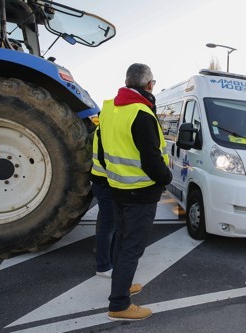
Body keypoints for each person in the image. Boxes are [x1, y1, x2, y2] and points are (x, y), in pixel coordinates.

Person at [98, 63, 172, 321]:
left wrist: (112, 176)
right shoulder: (141, 113)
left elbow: (100, 150)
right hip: (140, 192)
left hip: (117, 187)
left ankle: (122, 283)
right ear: (149, 84)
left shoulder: (110, 108)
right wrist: (167, 178)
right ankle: (119, 304)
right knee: (132, 246)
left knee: (122, 240)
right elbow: (152, 161)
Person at [90, 116, 115, 279]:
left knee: (107, 223)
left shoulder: (102, 126)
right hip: (106, 182)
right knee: (108, 225)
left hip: (100, 180)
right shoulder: (109, 128)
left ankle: (106, 257)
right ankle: (103, 266)